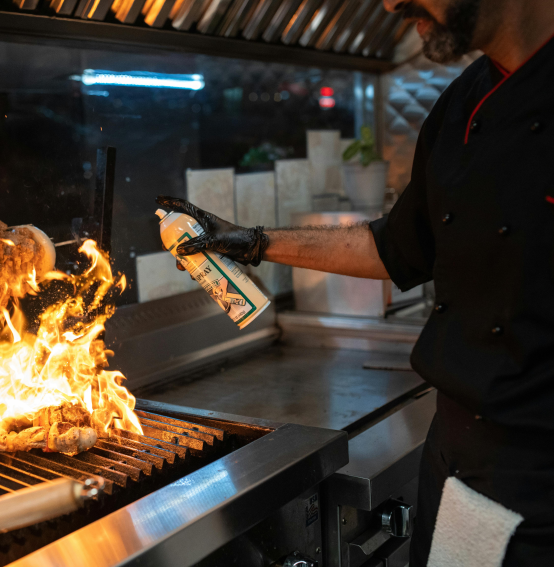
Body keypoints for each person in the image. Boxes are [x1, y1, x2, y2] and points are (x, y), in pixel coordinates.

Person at [157, 1, 554, 565]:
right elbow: (396, 246)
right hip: (457, 466)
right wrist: (253, 241)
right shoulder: (463, 102)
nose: (391, 3)